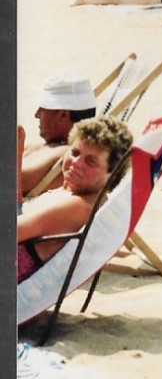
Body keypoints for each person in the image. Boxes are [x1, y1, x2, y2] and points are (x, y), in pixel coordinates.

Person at [17, 115, 133, 283]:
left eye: (90, 161)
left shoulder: (78, 206)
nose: (76, 163)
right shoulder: (75, 193)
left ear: (111, 173)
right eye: (75, 152)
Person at [20, 70, 98, 198]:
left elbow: (11, 181)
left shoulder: (67, 155)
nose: (37, 114)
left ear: (62, 114)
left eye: (42, 108)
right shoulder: (46, 146)